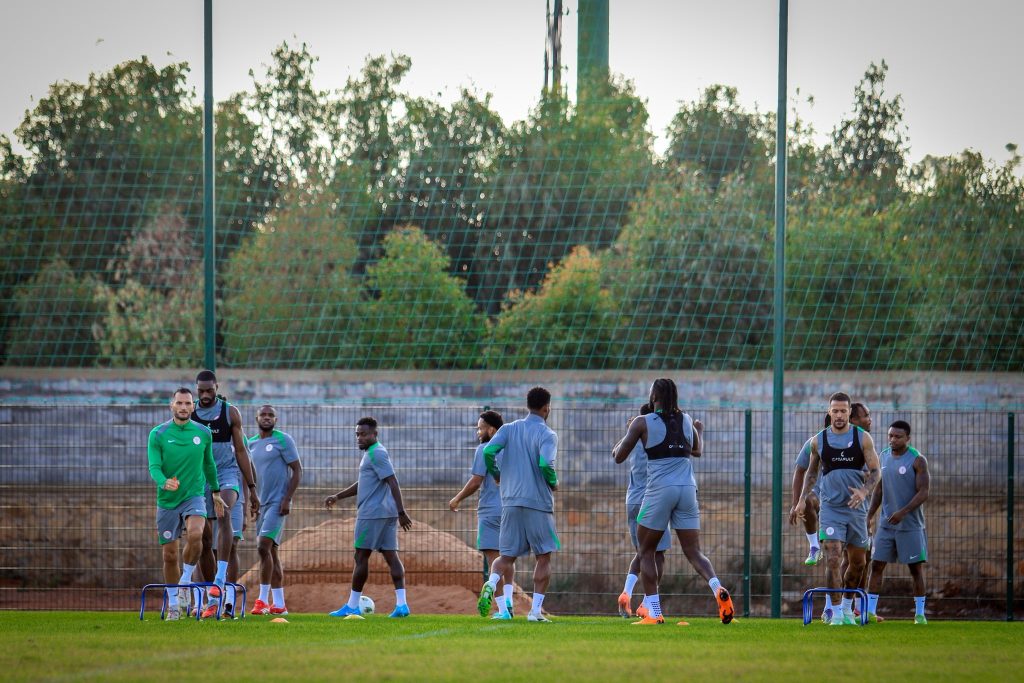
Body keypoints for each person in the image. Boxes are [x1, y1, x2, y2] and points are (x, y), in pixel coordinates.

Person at [612, 378, 735, 626]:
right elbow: (696, 451)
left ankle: (655, 613)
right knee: (694, 551)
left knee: (646, 550)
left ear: (654, 396)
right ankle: (718, 590)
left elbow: (619, 457)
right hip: (688, 489)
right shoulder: (686, 420)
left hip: (659, 491)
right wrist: (698, 431)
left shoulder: (642, 422)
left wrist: (627, 437)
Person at [795, 391, 881, 626]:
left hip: (856, 509)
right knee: (833, 558)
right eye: (835, 411)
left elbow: (876, 472)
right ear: (829, 412)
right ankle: (834, 612)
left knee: (858, 562)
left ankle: (846, 606)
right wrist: (802, 499)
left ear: (849, 412)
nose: (840, 415)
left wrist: (864, 491)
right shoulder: (818, 441)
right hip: (831, 509)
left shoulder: (863, 438)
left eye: (844, 411)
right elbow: (811, 473)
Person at [476, 387, 560, 623]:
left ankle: (491, 584)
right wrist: (553, 483)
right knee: (543, 557)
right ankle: (535, 613)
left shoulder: (508, 429)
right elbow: (545, 464)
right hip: (537, 503)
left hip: (510, 502)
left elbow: (489, 451)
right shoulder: (548, 434)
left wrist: (497, 475)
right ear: (546, 407)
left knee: (506, 556)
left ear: (527, 405)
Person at [147, 387, 224, 621]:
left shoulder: (203, 433)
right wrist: (163, 482)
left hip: (194, 496)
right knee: (169, 556)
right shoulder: (158, 434)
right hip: (168, 500)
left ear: (193, 406)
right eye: (179, 403)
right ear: (172, 405)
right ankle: (174, 604)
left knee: (196, 535)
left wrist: (217, 492)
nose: (183, 407)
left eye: (187, 403)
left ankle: (185, 581)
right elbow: (154, 467)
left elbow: (209, 465)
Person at [325, 417, 414, 618]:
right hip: (386, 513)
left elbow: (393, 481)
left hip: (372, 514)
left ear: (375, 434)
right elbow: (363, 484)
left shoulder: (377, 453)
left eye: (364, 434)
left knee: (360, 557)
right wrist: (338, 496)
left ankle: (352, 605)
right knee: (391, 556)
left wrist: (402, 512)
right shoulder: (372, 454)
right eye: (357, 434)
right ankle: (402, 605)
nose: (359, 438)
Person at [191, 370, 259, 618]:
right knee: (203, 542)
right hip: (201, 479)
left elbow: (242, 452)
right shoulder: (191, 413)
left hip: (227, 474)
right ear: (197, 390)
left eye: (210, 390)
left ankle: (225, 589)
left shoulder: (230, 413)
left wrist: (252, 488)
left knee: (225, 512)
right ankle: (208, 598)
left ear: (217, 388)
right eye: (201, 391)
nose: (206, 395)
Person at [448, 410, 516, 619]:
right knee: (507, 560)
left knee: (493, 560)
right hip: (511, 509)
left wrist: (457, 498)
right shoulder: (511, 449)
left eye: (480, 428)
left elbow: (476, 481)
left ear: (492, 430)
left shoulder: (484, 449)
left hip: (490, 511)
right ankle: (510, 604)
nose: (478, 433)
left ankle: (503, 611)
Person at [866, 420, 930, 624]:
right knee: (876, 566)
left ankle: (919, 614)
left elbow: (923, 492)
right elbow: (879, 489)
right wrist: (870, 515)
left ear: (908, 438)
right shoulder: (883, 456)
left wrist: (903, 512)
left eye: (898, 436)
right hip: (886, 525)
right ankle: (870, 611)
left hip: (910, 526)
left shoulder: (917, 460)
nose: (893, 439)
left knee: (915, 569)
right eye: (890, 435)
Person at [616, 404, 671, 619]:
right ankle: (648, 603)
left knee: (642, 552)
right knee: (658, 554)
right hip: (654, 499)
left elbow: (615, 453)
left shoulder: (633, 436)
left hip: (633, 500)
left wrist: (628, 432)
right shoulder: (659, 436)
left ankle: (626, 593)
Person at [247, 405, 302, 616]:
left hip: (278, 503)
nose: (267, 418)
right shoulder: (250, 444)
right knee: (271, 552)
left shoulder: (283, 440)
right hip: (260, 506)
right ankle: (279, 604)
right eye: (264, 415)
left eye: (271, 415)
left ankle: (261, 600)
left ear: (276, 420)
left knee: (263, 547)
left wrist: (287, 499)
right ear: (257, 418)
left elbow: (297, 470)